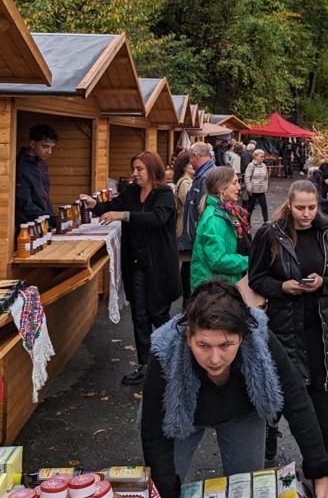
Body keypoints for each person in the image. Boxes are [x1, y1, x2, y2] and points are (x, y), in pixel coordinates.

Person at [141, 279, 328, 498]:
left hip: (241, 412)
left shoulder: (260, 340)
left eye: (225, 345)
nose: (214, 358)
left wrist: (320, 473)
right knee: (159, 491)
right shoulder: (165, 352)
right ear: (188, 336)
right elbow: (153, 430)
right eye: (203, 345)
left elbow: (297, 401)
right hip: (180, 415)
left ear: (242, 337)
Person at [249, 181, 328, 498]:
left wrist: (322, 282)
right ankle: (268, 437)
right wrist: (283, 288)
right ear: (289, 204)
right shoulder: (270, 234)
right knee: (280, 391)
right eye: (300, 207)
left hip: (319, 328)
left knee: (320, 393)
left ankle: (323, 465)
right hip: (282, 328)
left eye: (311, 207)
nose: (306, 214)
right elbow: (257, 278)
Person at [83, 151, 181, 385]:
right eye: (134, 169)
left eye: (140, 169)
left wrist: (124, 215)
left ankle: (176, 360)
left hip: (158, 266)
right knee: (139, 315)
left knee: (158, 313)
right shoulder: (131, 192)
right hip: (136, 265)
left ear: (152, 170)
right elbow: (112, 206)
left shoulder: (164, 193)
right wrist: (95, 204)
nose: (134, 173)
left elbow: (156, 219)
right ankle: (145, 365)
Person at [190, 167, 250, 291]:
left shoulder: (226, 212)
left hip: (221, 285)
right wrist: (249, 261)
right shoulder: (214, 218)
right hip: (213, 290)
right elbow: (217, 260)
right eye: (234, 183)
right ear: (221, 189)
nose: (239, 187)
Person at [15, 124, 58, 230]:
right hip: (27, 227)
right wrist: (50, 219)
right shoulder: (21, 167)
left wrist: (51, 218)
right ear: (32, 144)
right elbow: (24, 203)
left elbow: (45, 198)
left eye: (51, 148)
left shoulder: (42, 165)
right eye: (45, 146)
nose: (49, 152)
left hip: (43, 223)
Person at [184, 142, 215, 248]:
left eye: (190, 158)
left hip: (199, 239)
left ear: (194, 156)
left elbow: (204, 209)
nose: (190, 162)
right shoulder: (205, 174)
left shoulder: (204, 177)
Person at [173, 150, 194, 299]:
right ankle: (186, 298)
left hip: (183, 226)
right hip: (184, 228)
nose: (194, 165)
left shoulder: (185, 181)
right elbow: (189, 204)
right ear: (184, 166)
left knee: (188, 264)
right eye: (190, 163)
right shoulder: (185, 182)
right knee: (187, 263)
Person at [244, 149, 270, 223]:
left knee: (264, 206)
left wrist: (266, 186)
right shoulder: (251, 165)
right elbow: (247, 177)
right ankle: (247, 221)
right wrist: (249, 188)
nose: (263, 158)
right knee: (250, 207)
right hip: (253, 191)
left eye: (263, 156)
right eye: (261, 156)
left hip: (261, 190)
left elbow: (266, 177)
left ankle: (266, 221)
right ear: (256, 157)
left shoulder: (264, 165)